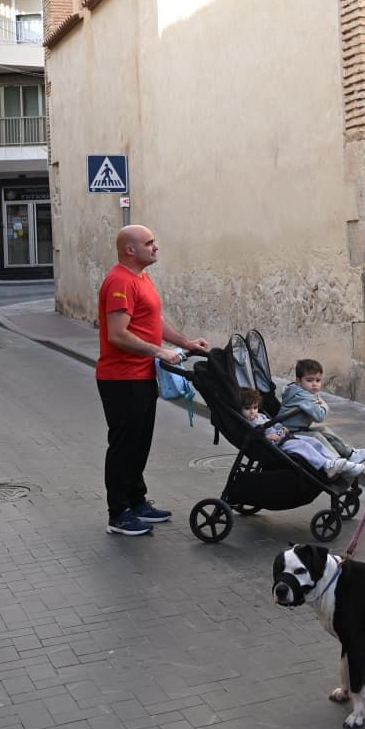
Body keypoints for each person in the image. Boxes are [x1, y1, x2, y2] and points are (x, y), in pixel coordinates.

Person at [96, 224, 208, 537]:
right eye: (149, 243)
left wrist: (185, 343)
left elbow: (153, 320)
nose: (155, 247)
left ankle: (137, 502)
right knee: (124, 446)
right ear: (130, 250)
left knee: (140, 443)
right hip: (121, 378)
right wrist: (160, 351)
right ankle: (118, 514)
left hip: (142, 374)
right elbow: (118, 334)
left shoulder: (141, 278)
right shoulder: (119, 281)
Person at [238, 388, 365, 480]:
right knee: (304, 447)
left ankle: (336, 462)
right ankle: (326, 465)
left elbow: (271, 424)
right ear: (240, 409)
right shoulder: (247, 423)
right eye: (247, 409)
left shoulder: (260, 416)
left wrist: (281, 428)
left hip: (284, 437)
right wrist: (267, 437)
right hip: (276, 444)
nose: (252, 412)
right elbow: (253, 436)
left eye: (255, 407)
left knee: (313, 441)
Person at [277, 358, 365, 464]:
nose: (314, 384)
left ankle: (350, 454)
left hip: (297, 429)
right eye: (309, 380)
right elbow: (320, 416)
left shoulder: (299, 390)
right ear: (299, 381)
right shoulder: (302, 396)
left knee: (323, 430)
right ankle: (336, 461)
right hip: (289, 432)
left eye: (318, 380)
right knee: (316, 436)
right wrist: (323, 404)